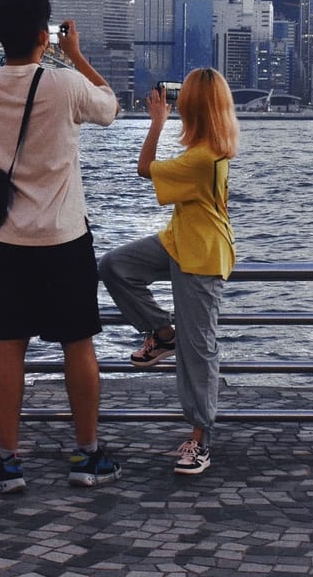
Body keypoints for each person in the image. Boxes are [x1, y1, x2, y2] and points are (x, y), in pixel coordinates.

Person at [0, 0, 121, 494]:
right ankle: (88, 455)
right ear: (44, 37)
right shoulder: (65, 83)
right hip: (66, 235)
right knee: (78, 343)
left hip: (7, 238)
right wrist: (75, 56)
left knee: (8, 346)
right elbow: (110, 108)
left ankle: (7, 460)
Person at [98, 67, 239, 476]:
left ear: (192, 108)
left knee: (198, 352)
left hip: (201, 255)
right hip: (180, 239)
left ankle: (200, 440)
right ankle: (162, 332)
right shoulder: (212, 146)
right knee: (114, 266)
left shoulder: (200, 158)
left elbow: (145, 168)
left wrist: (156, 123)